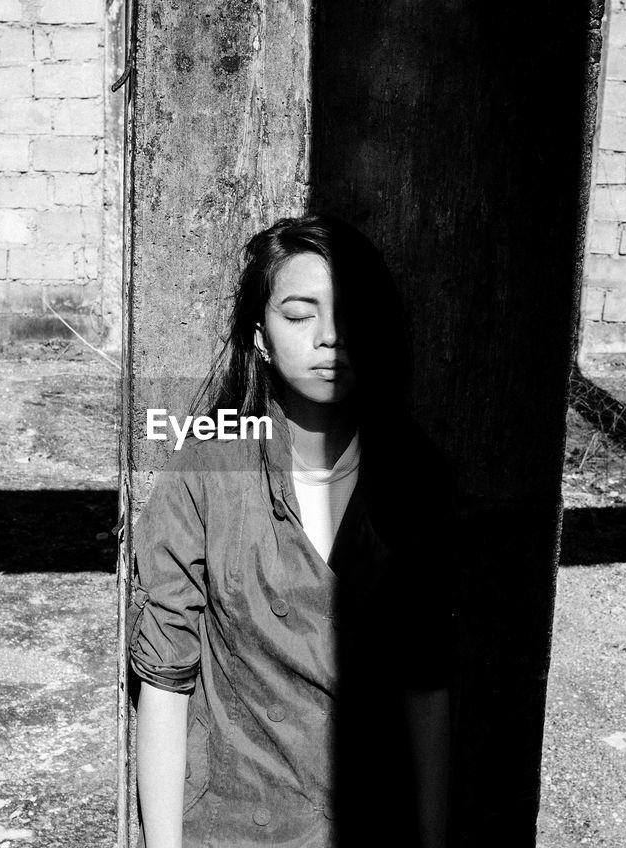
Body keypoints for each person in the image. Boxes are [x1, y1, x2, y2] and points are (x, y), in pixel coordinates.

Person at [128, 214, 460, 848]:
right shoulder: (210, 465)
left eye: (349, 312)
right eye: (300, 315)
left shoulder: (413, 475)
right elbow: (165, 680)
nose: (329, 337)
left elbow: (426, 680)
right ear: (260, 336)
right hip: (237, 825)